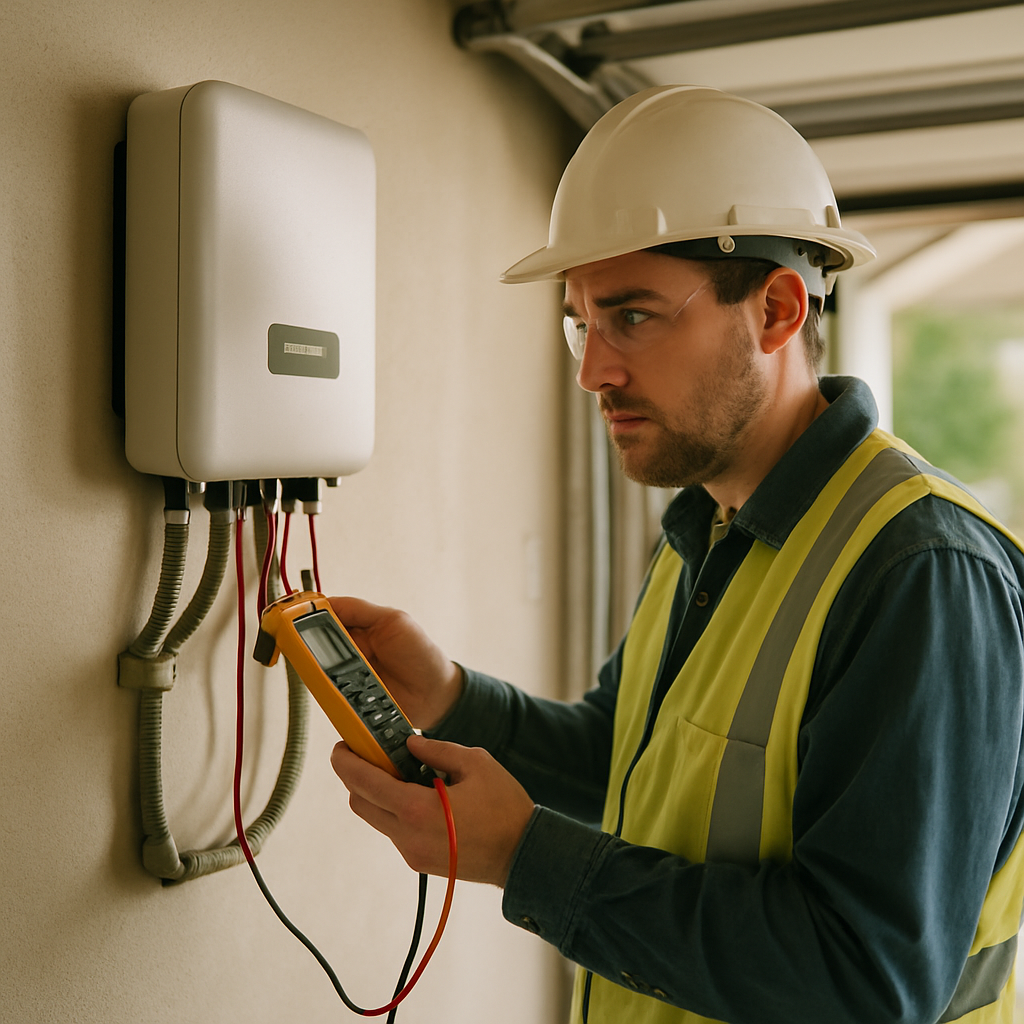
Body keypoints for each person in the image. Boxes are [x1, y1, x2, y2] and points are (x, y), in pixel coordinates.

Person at [329, 86, 1024, 1024]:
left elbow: (868, 980)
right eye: (582, 321)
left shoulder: (921, 574)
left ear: (777, 310)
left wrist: (525, 856)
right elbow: (632, 761)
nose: (592, 370)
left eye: (636, 317)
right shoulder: (711, 525)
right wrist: (452, 697)